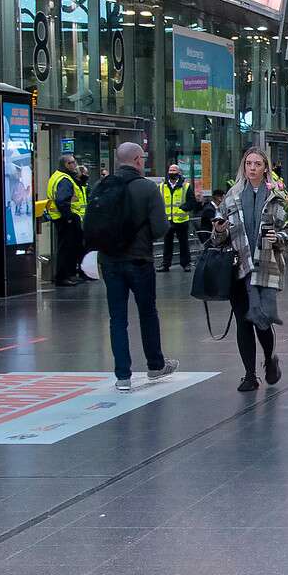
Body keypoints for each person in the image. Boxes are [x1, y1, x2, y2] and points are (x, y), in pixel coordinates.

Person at [87, 143, 176, 393]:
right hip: (139, 261)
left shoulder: (101, 186)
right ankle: (155, 364)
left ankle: (123, 376)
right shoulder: (148, 188)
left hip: (109, 261)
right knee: (147, 313)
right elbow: (160, 227)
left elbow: (90, 223)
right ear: (138, 160)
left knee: (117, 318)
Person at [212, 148, 288, 393]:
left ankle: (269, 360)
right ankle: (249, 374)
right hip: (238, 268)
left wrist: (278, 236)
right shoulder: (232, 196)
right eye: (248, 163)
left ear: (265, 168)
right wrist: (219, 230)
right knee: (242, 322)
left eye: (257, 163)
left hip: (265, 267)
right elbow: (218, 238)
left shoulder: (277, 198)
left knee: (260, 321)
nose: (252, 168)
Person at [45, 153, 86, 286]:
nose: (75, 165)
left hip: (61, 217)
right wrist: (68, 217)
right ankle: (63, 277)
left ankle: (69, 274)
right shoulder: (64, 179)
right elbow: (62, 200)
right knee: (67, 248)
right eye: (72, 163)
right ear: (66, 165)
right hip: (67, 218)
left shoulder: (60, 176)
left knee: (69, 247)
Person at [158, 163, 195, 272]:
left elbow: (192, 202)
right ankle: (165, 264)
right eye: (170, 170)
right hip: (167, 220)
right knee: (167, 243)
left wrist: (182, 209)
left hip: (181, 220)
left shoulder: (186, 186)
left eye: (174, 171)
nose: (172, 173)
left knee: (184, 243)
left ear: (179, 173)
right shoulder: (161, 186)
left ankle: (186, 264)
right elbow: (157, 202)